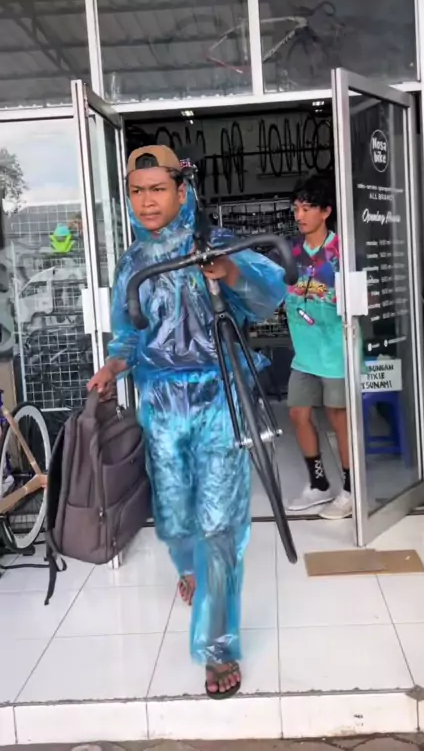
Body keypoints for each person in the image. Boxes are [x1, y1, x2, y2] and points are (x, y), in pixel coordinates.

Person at [87, 145, 286, 700]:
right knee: (175, 519)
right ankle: (189, 567)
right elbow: (128, 334)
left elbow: (272, 293)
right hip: (160, 404)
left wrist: (230, 271)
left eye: (157, 189)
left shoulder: (215, 244)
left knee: (219, 524)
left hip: (219, 396)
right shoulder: (132, 263)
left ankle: (218, 647)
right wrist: (113, 365)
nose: (146, 201)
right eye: (137, 191)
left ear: (181, 190)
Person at [285, 174, 352, 520]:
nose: (299, 215)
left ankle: (351, 490)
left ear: (326, 211)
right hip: (304, 354)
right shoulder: (290, 252)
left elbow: (365, 297)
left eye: (307, 208)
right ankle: (319, 484)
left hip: (335, 353)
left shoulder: (342, 251)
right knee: (298, 414)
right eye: (296, 208)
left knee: (339, 418)